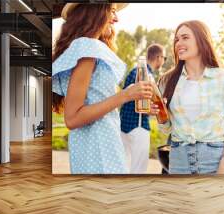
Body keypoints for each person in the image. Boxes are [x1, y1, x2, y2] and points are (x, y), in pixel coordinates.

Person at [52, 3, 153, 174]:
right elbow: (72, 118)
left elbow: (96, 100)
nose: (116, 18)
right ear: (95, 12)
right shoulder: (88, 47)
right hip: (98, 148)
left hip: (97, 146)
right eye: (112, 11)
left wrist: (130, 93)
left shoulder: (87, 47)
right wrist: (125, 95)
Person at [157, 20, 224, 174]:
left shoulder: (223, 78)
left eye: (185, 37)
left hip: (215, 160)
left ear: (201, 40)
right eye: (177, 39)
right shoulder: (167, 81)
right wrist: (160, 115)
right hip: (179, 160)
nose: (179, 43)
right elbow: (167, 129)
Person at [120, 44, 166, 173]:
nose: (163, 61)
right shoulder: (146, 75)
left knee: (123, 167)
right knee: (138, 169)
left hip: (124, 126)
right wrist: (154, 109)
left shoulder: (134, 71)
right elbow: (142, 103)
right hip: (138, 127)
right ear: (158, 57)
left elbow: (127, 97)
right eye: (164, 58)